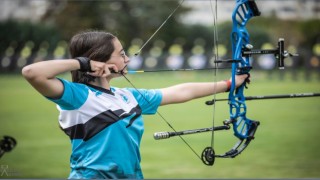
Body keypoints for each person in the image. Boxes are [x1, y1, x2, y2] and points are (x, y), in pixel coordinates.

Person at [22, 30, 248, 179]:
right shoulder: (77, 96)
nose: (128, 59)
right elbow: (32, 73)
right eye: (121, 54)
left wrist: (229, 83)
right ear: (100, 59)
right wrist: (83, 63)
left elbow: (181, 91)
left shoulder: (128, 96)